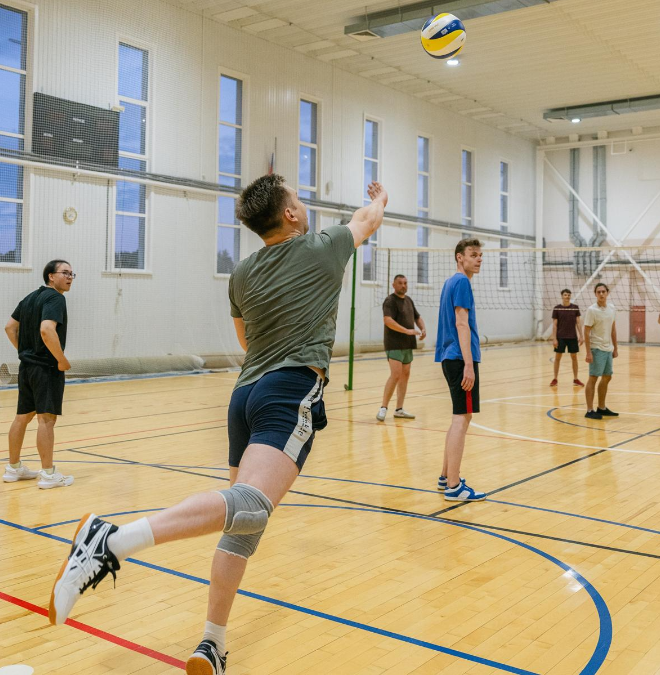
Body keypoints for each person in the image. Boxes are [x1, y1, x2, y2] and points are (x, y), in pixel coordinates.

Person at [48, 174, 387, 675]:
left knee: (243, 520)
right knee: (251, 505)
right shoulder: (322, 247)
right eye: (298, 198)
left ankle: (212, 642)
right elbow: (367, 221)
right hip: (289, 389)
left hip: (244, 396)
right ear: (290, 214)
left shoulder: (242, 273)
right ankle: (111, 541)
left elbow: (245, 339)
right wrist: (378, 197)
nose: (302, 203)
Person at [3, 260, 75, 488]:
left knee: (22, 417)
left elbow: (9, 327)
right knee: (46, 419)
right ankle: (48, 474)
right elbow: (46, 329)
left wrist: (25, 352)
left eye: (72, 273)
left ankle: (13, 469)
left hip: (27, 367)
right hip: (46, 368)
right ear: (51, 276)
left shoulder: (30, 298)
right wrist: (61, 360)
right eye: (65, 273)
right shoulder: (55, 298)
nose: (70, 277)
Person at [435, 238, 486, 502]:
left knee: (459, 417)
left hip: (449, 356)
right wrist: (469, 364)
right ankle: (454, 486)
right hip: (459, 357)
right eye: (473, 255)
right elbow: (461, 323)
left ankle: (446, 477)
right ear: (459, 257)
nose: (478, 259)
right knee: (462, 419)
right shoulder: (462, 282)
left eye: (480, 255)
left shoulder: (450, 282)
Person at [377, 274, 426, 421]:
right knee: (396, 374)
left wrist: (423, 328)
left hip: (407, 344)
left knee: (405, 374)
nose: (403, 285)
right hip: (394, 343)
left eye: (405, 283)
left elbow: (417, 317)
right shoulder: (390, 301)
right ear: (394, 285)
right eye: (400, 283)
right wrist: (407, 331)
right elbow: (387, 320)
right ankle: (383, 407)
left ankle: (399, 409)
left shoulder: (409, 300)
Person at [583, 283, 618, 420]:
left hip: (608, 348)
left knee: (607, 377)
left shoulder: (612, 308)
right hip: (596, 348)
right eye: (599, 292)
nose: (601, 294)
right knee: (593, 378)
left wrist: (615, 348)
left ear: (607, 293)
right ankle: (589, 410)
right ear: (595, 294)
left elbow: (613, 329)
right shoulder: (592, 310)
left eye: (603, 291)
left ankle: (601, 408)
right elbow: (586, 332)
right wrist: (588, 352)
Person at [550, 288, 584, 387]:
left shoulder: (575, 308)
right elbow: (555, 325)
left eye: (569, 295)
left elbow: (578, 322)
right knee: (558, 357)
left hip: (572, 337)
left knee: (574, 357)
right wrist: (554, 338)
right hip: (560, 337)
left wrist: (581, 336)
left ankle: (576, 379)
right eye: (565, 295)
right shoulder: (557, 308)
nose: (567, 296)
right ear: (562, 296)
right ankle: (555, 379)